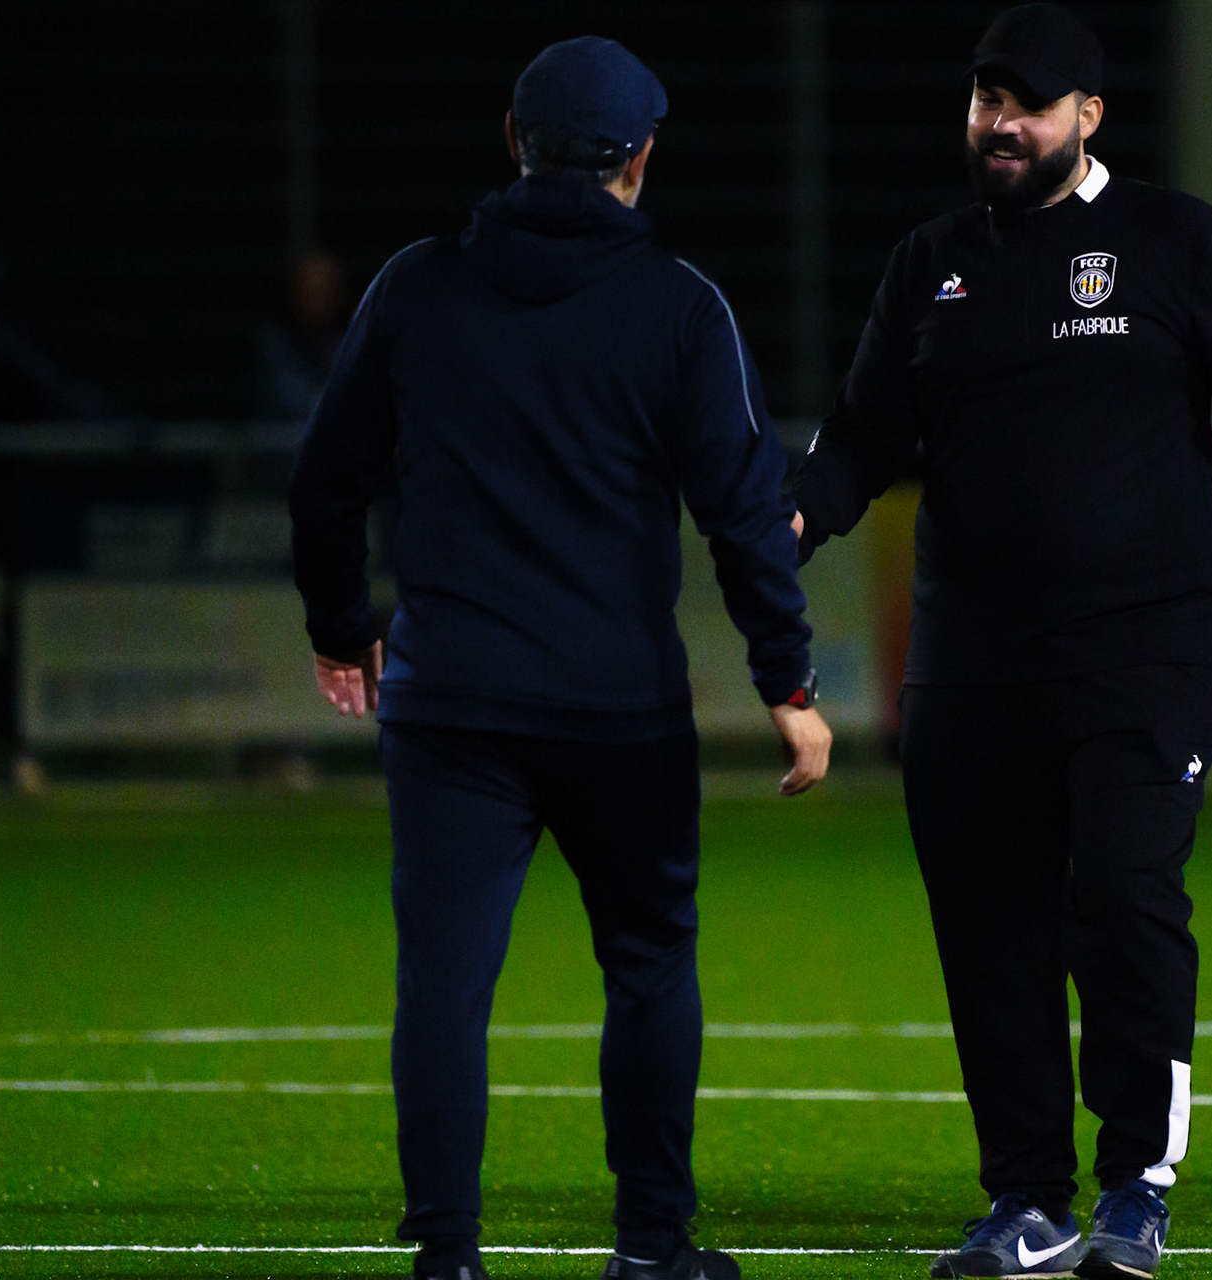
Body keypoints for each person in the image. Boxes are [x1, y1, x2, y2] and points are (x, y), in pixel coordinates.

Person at [790, 5, 1212, 1277]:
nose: (999, 123)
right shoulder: (930, 262)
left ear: (1089, 116)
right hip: (969, 667)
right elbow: (860, 437)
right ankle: (1027, 1201)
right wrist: (790, 525)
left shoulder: (1176, 242)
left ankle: (1136, 1186)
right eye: (984, 99)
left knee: (1126, 906)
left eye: (1028, 104)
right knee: (991, 937)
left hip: (1141, 658)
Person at [288, 35, 831, 1280]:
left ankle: (447, 1256)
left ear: (514, 145)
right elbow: (745, 515)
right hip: (616, 707)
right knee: (648, 966)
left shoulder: (418, 287)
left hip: (450, 703)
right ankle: (649, 1250)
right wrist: (787, 681)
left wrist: (338, 624)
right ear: (640, 159)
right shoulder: (682, 307)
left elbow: (325, 478)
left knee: (443, 983)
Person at [255, 249, 348, 421]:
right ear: (295, 292)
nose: (319, 299)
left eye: (326, 289)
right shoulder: (274, 346)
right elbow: (290, 400)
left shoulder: (348, 341)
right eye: (312, 291)